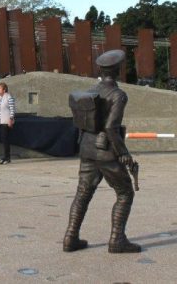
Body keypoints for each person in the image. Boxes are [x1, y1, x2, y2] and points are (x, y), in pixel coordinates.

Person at [63, 49, 141, 254]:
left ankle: (71, 237)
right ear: (117, 70)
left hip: (87, 147)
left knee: (83, 193)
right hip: (106, 151)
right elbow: (110, 127)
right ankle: (117, 240)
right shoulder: (118, 95)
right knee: (125, 193)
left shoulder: (91, 90)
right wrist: (123, 152)